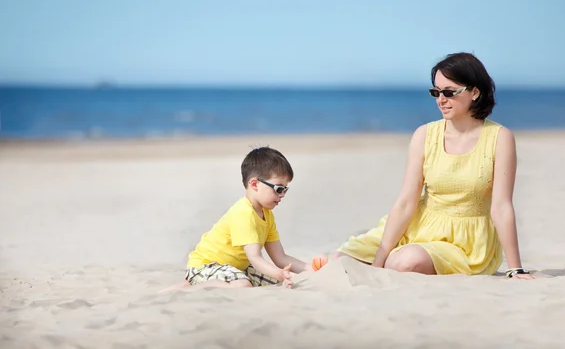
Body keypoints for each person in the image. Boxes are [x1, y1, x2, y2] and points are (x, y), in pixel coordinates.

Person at [332, 52, 534, 280]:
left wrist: (515, 268)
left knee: (405, 262)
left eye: (449, 92)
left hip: (466, 242)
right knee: (340, 259)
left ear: (475, 92)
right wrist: (379, 259)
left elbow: (501, 207)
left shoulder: (500, 138)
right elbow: (407, 202)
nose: (441, 99)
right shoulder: (424, 134)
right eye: (436, 92)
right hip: (419, 224)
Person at [184, 146, 313, 289]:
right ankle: (191, 287)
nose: (282, 195)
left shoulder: (267, 215)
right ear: (254, 184)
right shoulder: (243, 213)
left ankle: (198, 282)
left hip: (235, 268)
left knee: (278, 282)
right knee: (243, 285)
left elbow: (281, 258)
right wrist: (279, 274)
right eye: (279, 189)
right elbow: (255, 258)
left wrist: (311, 269)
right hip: (205, 266)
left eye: (285, 189)